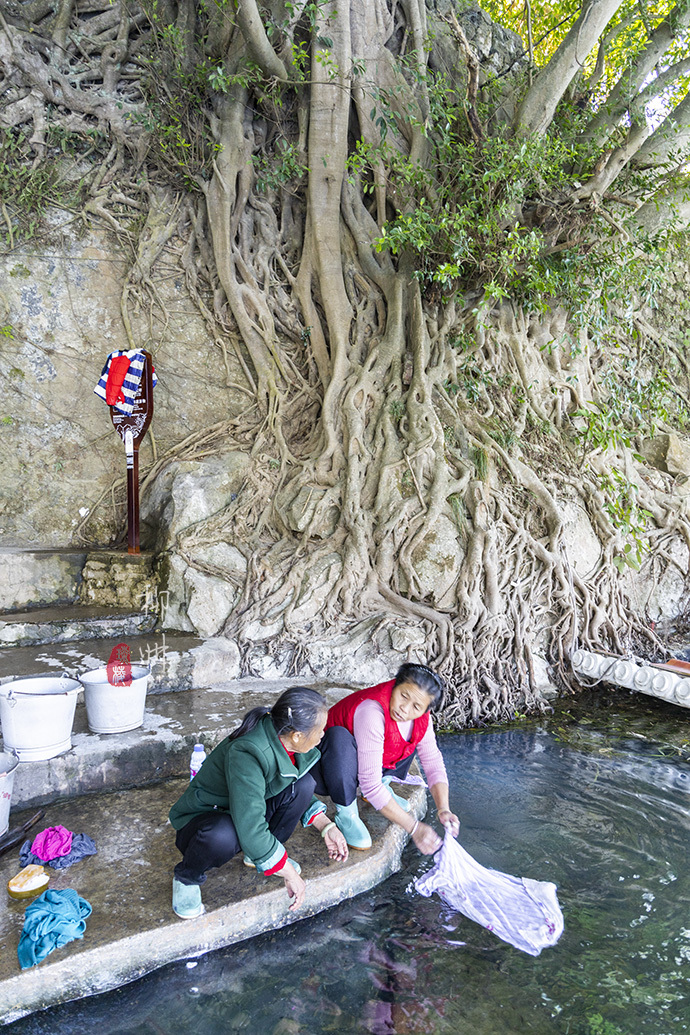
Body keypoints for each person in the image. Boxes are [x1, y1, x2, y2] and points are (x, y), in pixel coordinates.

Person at [169, 687, 348, 920]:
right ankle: (187, 876)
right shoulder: (248, 751)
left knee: (303, 785)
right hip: (204, 821)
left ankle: (258, 855)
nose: (323, 735)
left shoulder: (290, 743)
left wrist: (327, 827)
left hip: (243, 808)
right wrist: (290, 873)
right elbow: (250, 823)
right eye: (320, 730)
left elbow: (287, 786)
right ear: (296, 735)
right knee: (222, 834)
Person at [313, 662, 460, 854]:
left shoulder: (422, 717)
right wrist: (413, 827)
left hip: (365, 758)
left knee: (413, 736)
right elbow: (371, 785)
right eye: (403, 696)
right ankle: (346, 812)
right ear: (394, 686)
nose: (404, 709)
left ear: (426, 710)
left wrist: (444, 809)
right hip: (328, 767)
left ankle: (382, 785)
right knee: (339, 738)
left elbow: (432, 761)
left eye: (416, 706)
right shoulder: (371, 711)